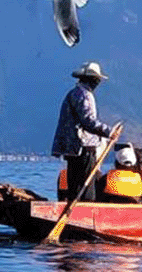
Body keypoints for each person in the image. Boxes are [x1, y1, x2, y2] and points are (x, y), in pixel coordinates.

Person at [50, 62, 118, 202]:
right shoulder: (84, 95)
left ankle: (75, 205)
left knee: (75, 186)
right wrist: (109, 132)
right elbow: (88, 121)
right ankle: (84, 208)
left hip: (72, 148)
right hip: (83, 147)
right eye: (96, 79)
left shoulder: (74, 93)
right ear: (91, 79)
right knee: (86, 188)